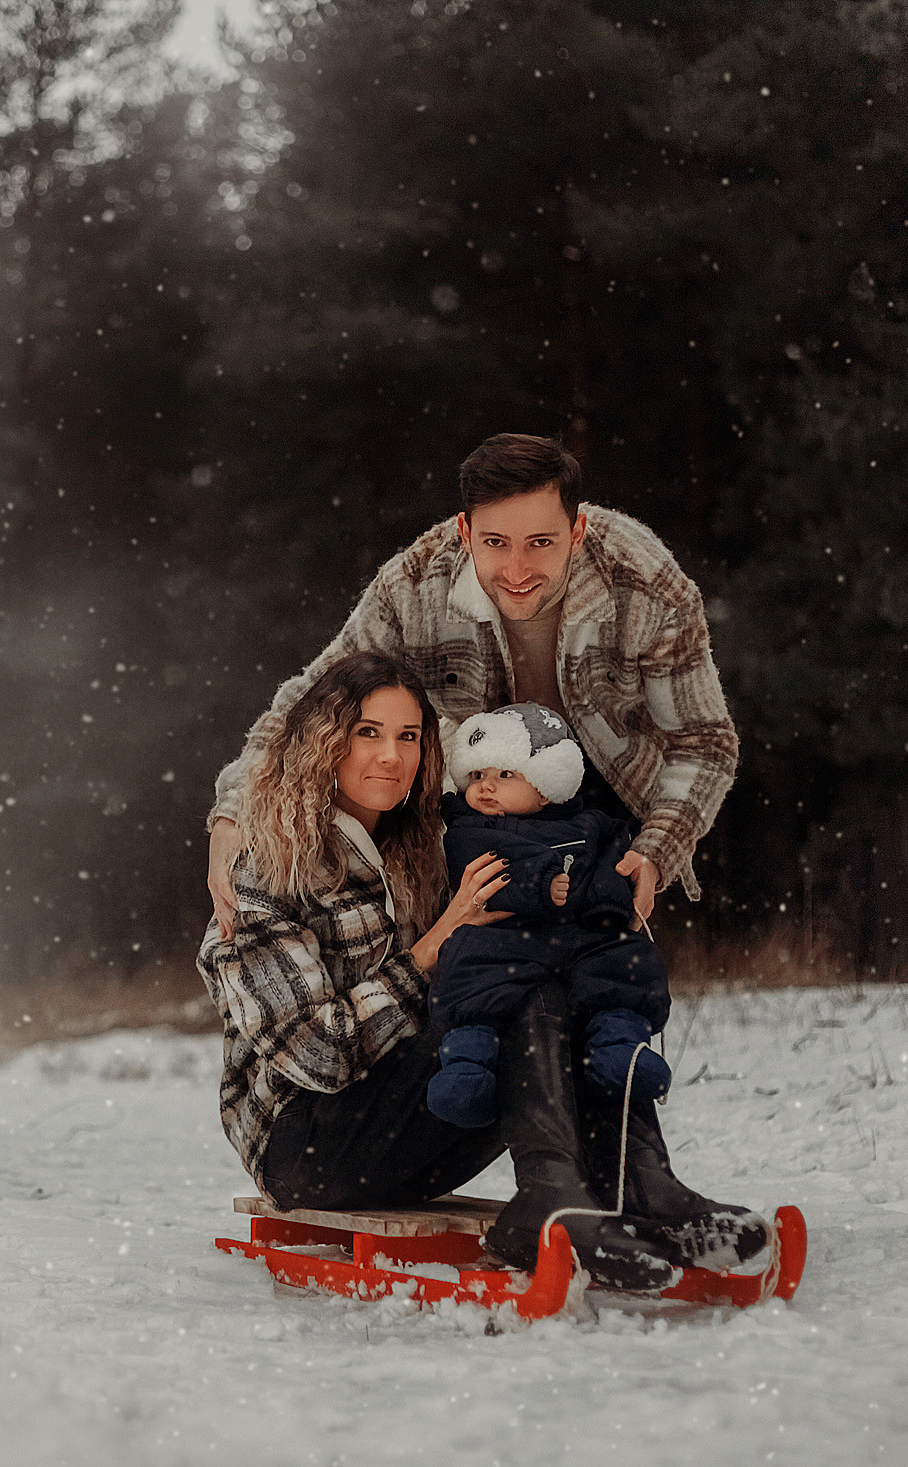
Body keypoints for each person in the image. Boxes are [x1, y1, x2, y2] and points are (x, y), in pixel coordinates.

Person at [203, 433, 763, 1274]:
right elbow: (305, 706)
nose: (518, 566)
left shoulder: (642, 583)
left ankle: (621, 1184)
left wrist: (654, 848)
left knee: (565, 977)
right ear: (463, 530)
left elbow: (706, 741)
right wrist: (226, 819)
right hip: (321, 1123)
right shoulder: (411, 592)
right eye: (495, 541)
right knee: (511, 980)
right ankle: (567, 1194)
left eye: (541, 540)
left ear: (579, 530)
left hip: (595, 805)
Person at [196, 651, 679, 1290]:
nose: (391, 756)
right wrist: (431, 948)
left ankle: (638, 1188)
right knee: (514, 992)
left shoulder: (426, 850)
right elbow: (317, 1055)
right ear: (324, 742)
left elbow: (547, 802)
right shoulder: (267, 870)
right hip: (309, 1145)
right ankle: (561, 1200)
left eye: (409, 736)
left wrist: (618, 864)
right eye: (367, 732)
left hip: (418, 1133)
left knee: (547, 972)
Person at [424, 702, 674, 1131]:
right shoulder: (468, 826)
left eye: (505, 775)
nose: (485, 787)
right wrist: (536, 881)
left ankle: (619, 1046)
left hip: (577, 934)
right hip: (504, 934)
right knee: (467, 966)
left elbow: (615, 857)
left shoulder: (588, 824)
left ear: (545, 785)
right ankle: (468, 1063)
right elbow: (474, 864)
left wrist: (609, 901)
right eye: (478, 775)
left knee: (624, 960)